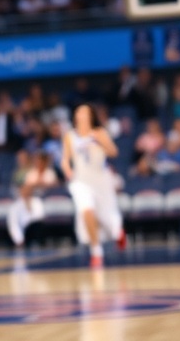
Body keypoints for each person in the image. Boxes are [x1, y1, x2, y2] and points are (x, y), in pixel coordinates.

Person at [62, 104, 121, 268]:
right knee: (86, 209)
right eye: (78, 112)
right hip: (80, 180)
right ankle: (96, 251)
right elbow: (65, 159)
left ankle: (117, 232)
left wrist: (100, 142)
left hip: (100, 179)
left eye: (85, 112)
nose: (81, 115)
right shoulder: (70, 136)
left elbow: (114, 152)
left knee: (106, 217)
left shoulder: (99, 132)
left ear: (91, 116)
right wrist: (67, 170)